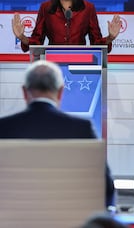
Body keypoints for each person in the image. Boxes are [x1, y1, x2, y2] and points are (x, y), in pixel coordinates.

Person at [0, 59, 115, 208]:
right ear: (61, 92)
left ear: (24, 91)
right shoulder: (82, 129)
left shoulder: (3, 128)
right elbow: (106, 190)